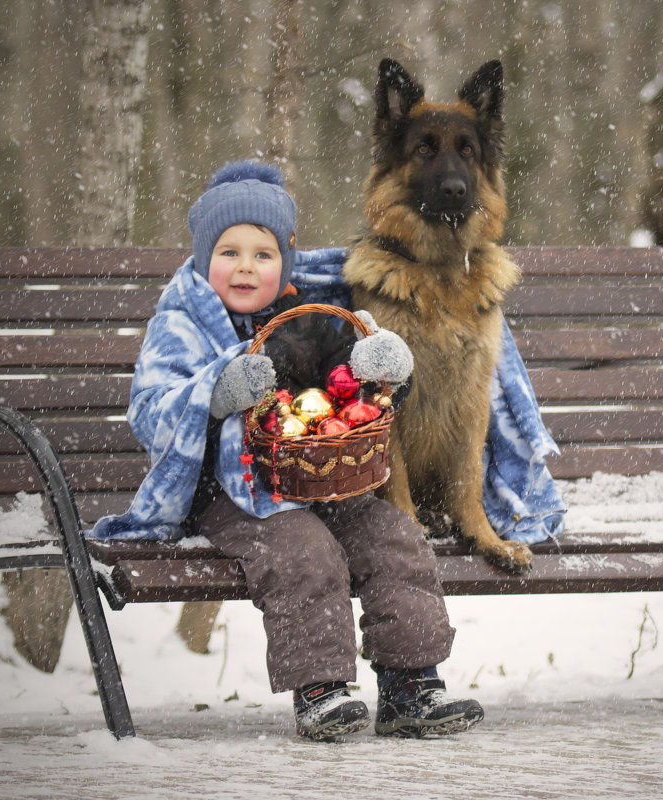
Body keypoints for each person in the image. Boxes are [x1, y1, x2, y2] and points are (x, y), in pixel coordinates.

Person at [112, 160, 483, 741]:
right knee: (302, 552)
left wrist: (380, 372)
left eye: (262, 255)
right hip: (232, 493)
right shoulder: (180, 325)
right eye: (228, 252)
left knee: (395, 539)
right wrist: (214, 391)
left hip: (323, 476)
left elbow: (350, 389)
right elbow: (150, 413)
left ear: (284, 260)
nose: (244, 267)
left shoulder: (307, 318)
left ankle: (411, 683)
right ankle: (322, 690)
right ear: (203, 258)